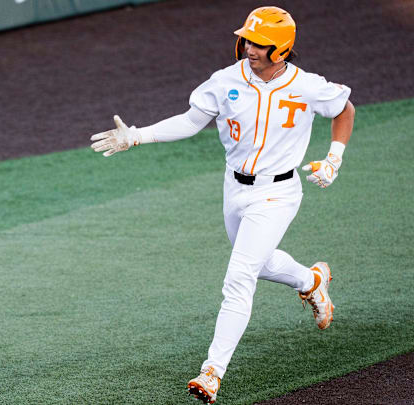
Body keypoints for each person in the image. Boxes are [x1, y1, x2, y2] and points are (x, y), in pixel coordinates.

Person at [90, 6, 355, 404]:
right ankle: (310, 281)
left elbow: (344, 110)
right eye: (246, 39)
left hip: (278, 193)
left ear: (280, 50)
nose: (248, 48)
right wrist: (138, 136)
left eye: (258, 44)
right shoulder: (225, 81)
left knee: (239, 277)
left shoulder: (307, 86)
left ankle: (211, 372)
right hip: (234, 188)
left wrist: (334, 158)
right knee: (257, 262)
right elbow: (190, 121)